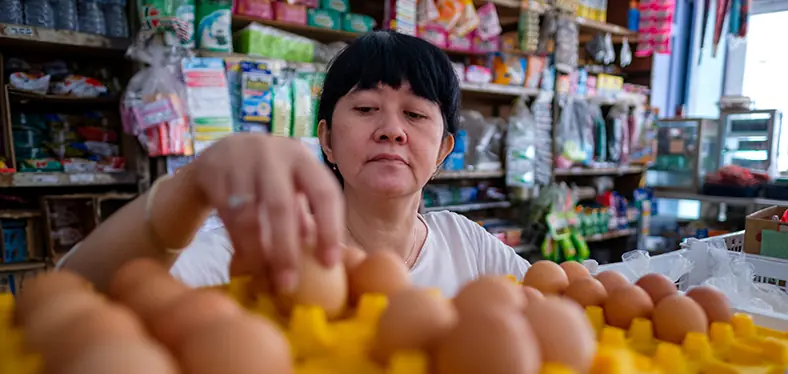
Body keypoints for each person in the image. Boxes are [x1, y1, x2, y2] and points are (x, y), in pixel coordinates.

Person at [59, 30, 530, 298]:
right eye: (366, 109)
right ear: (325, 138)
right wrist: (191, 186)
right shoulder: (261, 251)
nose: (392, 129)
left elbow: (575, 292)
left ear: (445, 148)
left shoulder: (467, 244)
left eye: (415, 113)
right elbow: (72, 298)